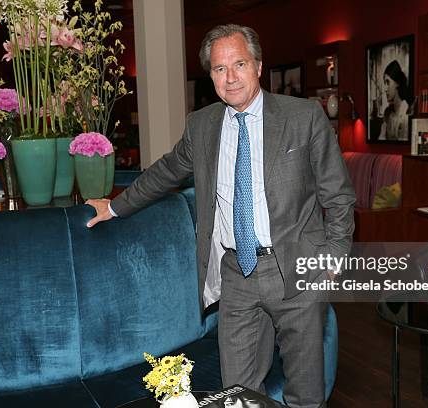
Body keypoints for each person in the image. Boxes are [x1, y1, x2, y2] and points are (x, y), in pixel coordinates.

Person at [86, 24, 355, 408]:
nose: (230, 78)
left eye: (239, 64)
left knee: (307, 395)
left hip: (297, 270)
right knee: (238, 396)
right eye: (219, 69)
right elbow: (166, 172)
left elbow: (339, 195)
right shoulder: (203, 124)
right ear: (210, 75)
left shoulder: (303, 116)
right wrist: (114, 206)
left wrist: (332, 258)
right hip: (236, 275)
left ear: (259, 66)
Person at [379, 59, 410, 141]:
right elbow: (381, 138)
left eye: (388, 82)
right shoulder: (387, 113)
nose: (385, 88)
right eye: (384, 83)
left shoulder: (405, 114)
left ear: (397, 83)